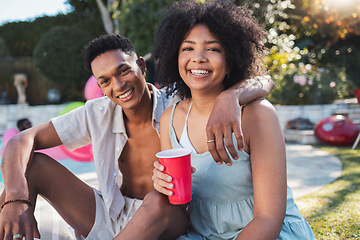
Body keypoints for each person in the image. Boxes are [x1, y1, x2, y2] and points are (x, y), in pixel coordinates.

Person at [0, 33, 273, 240]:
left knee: (156, 199)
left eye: (123, 70)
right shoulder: (96, 111)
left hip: (168, 219)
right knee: (31, 166)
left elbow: (265, 81)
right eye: (105, 81)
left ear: (141, 65)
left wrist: (231, 96)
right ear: (100, 86)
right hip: (112, 215)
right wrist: (15, 198)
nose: (118, 86)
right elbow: (21, 140)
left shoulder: (178, 103)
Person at [152, 1, 316, 239]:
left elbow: (268, 219)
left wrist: (230, 96)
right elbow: (182, 210)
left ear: (231, 59)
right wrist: (164, 186)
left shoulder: (257, 115)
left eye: (213, 48)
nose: (198, 58)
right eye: (187, 48)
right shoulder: (170, 119)